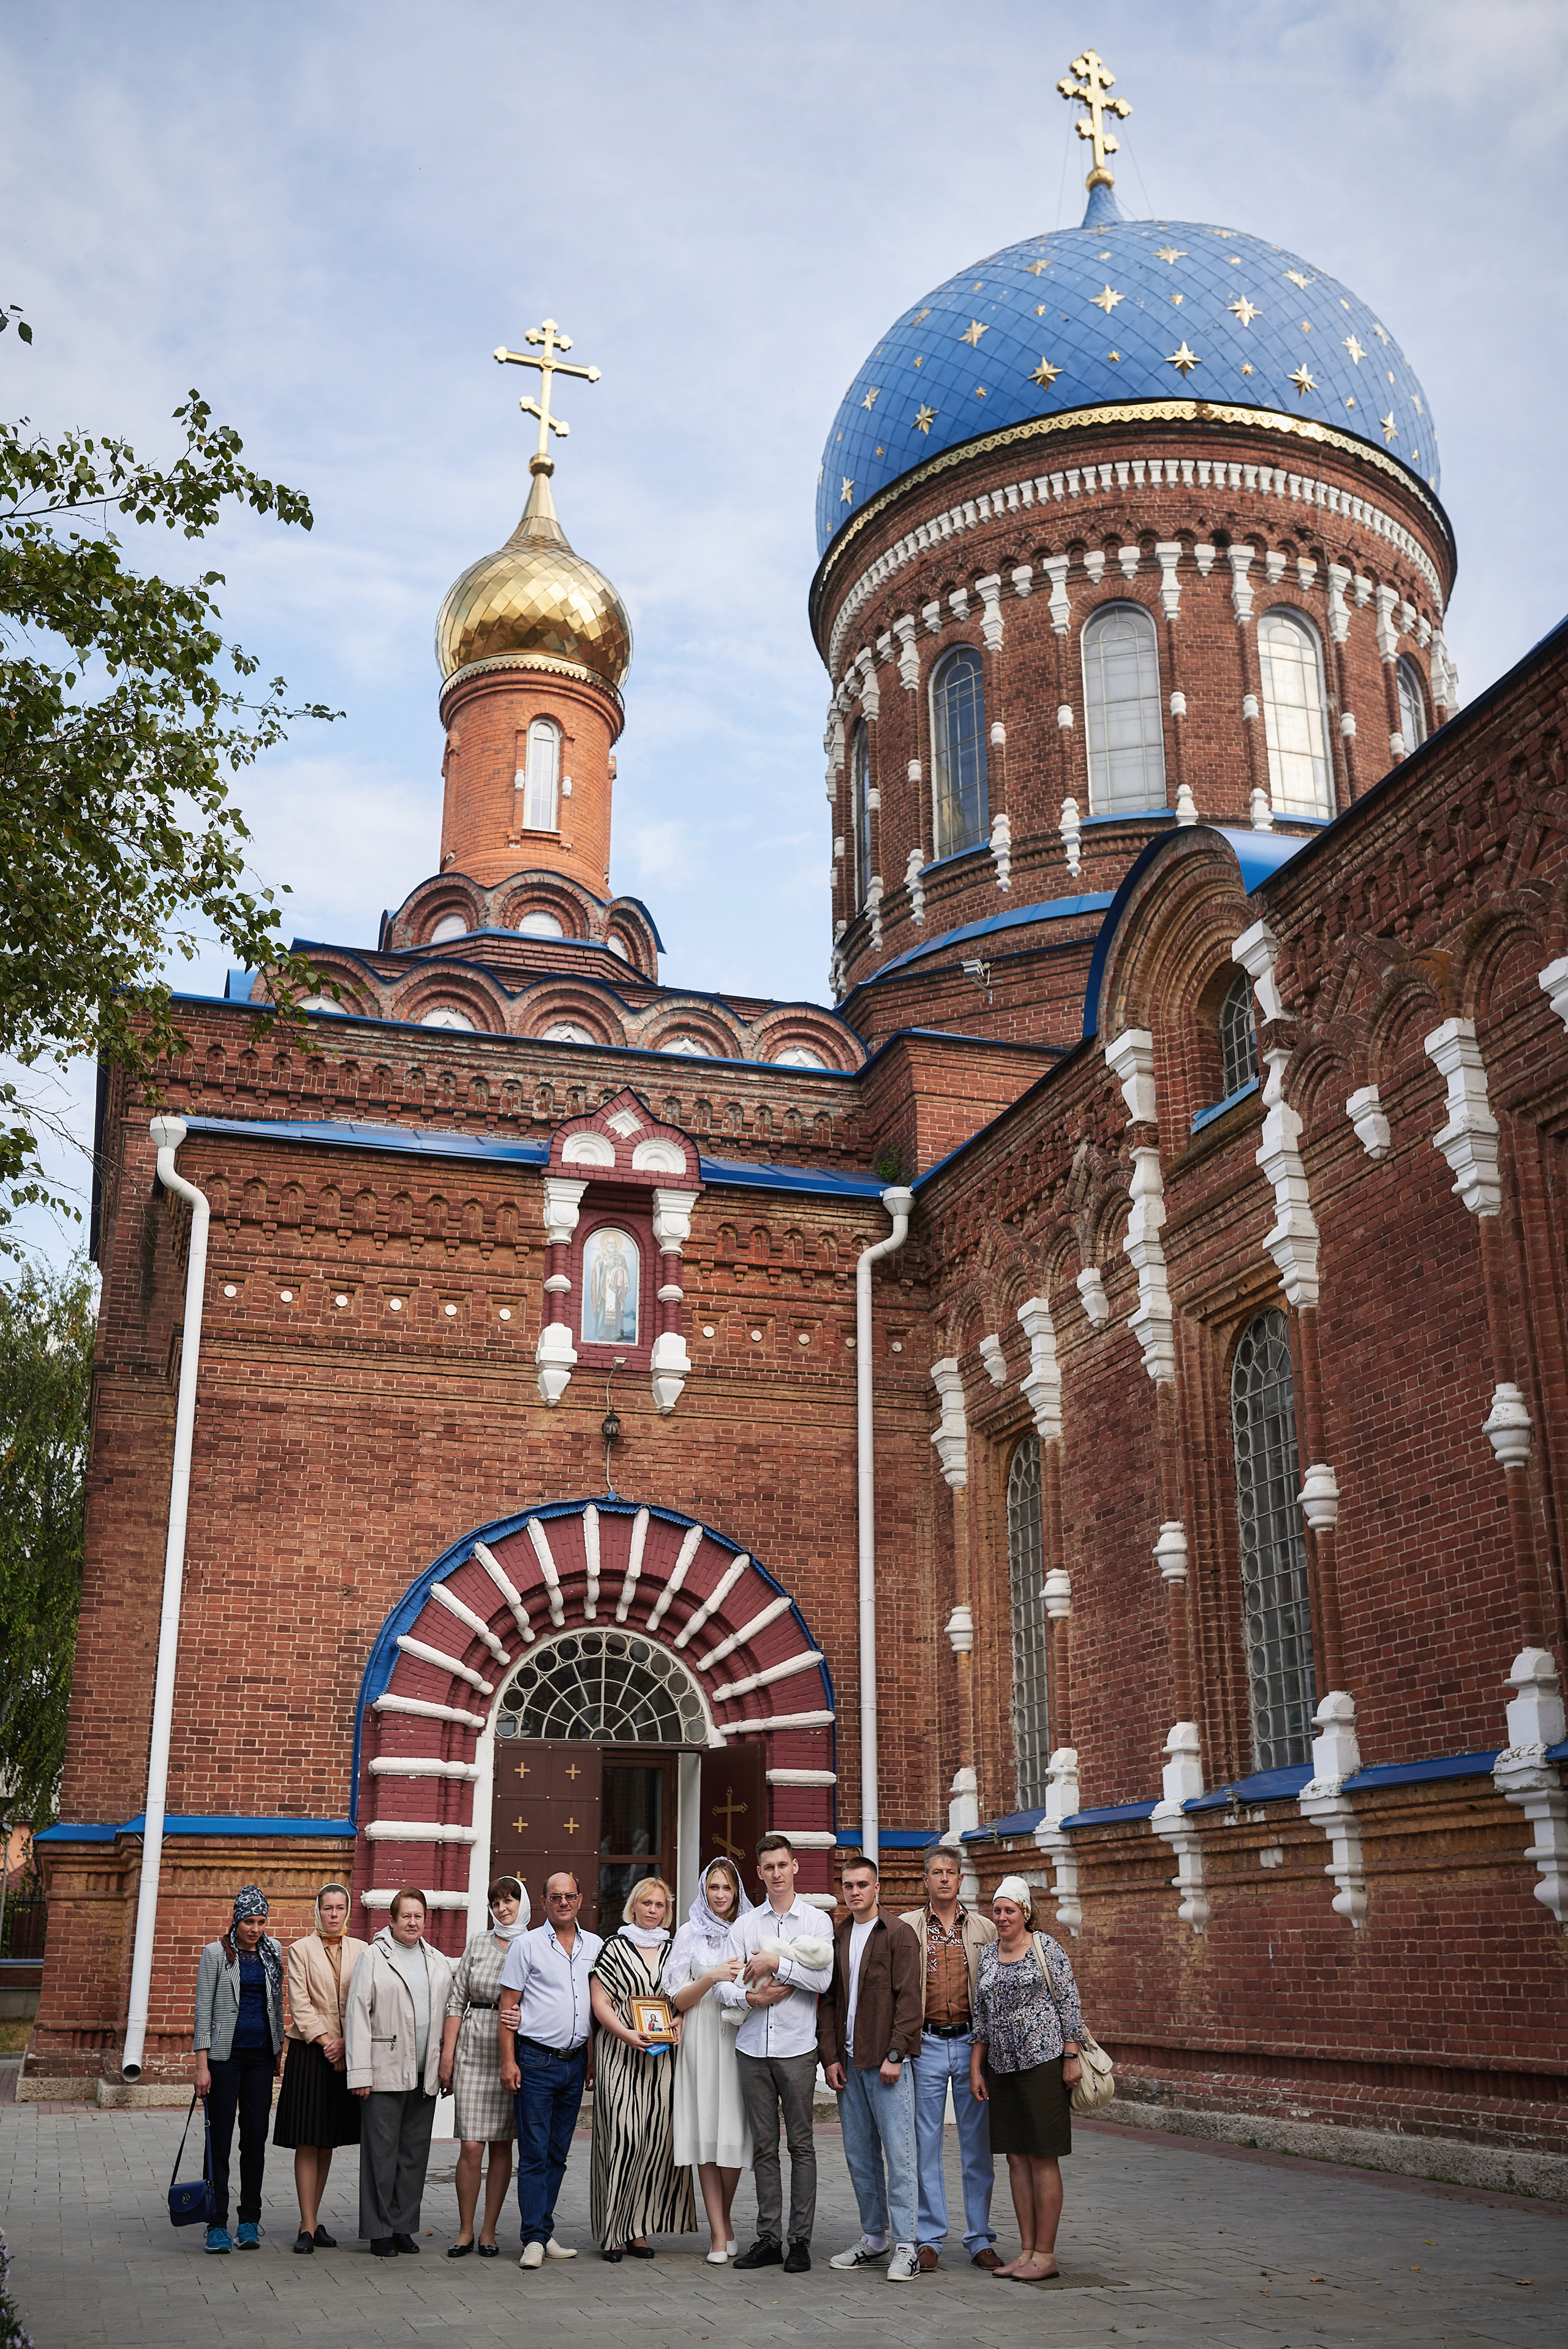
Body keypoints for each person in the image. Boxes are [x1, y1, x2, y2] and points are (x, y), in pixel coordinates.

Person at [718, 1832, 834, 2274]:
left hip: (797, 2049)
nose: (776, 1873)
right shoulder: (746, 1925)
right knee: (764, 2147)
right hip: (751, 2048)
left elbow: (823, 1982)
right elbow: (726, 1984)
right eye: (768, 1867)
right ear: (760, 1873)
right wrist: (751, 2000)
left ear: (795, 1866)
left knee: (801, 2146)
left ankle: (799, 2241)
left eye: (782, 1865)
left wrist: (775, 1964)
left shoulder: (816, 1921)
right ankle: (768, 2238)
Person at [968, 1875, 1084, 2282]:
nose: (1001, 1918)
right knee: (1016, 2158)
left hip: (1043, 2063)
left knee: (1042, 2155)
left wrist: (1071, 2057)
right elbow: (980, 2018)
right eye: (997, 1910)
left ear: (1025, 1913)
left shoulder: (1046, 1948)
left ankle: (1047, 2254)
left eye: (1009, 1911)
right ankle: (1027, 2251)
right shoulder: (988, 1955)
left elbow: (1069, 2003)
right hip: (1001, 2068)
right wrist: (975, 2068)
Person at [820, 1853, 923, 2281]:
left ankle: (907, 2246)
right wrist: (829, 2058)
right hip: (850, 2065)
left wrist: (896, 2055)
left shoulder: (898, 1934)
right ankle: (875, 2239)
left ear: (877, 1887)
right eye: (849, 1886)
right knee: (860, 2157)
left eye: (863, 1884)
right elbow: (827, 2002)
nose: (856, 1891)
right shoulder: (839, 1936)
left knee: (900, 2156)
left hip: (887, 2066)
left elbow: (910, 2001)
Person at [900, 1843, 1000, 2271]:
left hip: (970, 2044)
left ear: (961, 1880)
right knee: (926, 2144)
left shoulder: (983, 1929)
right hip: (926, 2045)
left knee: (977, 2146)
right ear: (925, 1879)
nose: (944, 1878)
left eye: (951, 1872)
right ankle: (929, 2239)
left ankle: (979, 2238)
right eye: (936, 1872)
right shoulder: (907, 1928)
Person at [498, 1869, 601, 2270]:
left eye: (570, 1896)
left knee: (558, 2154)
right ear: (544, 1902)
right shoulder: (526, 1946)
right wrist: (509, 2061)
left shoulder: (596, 1945)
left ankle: (543, 2229)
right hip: (536, 2061)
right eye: (555, 1896)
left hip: (575, 2064)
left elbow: (599, 2003)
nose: (563, 1902)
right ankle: (533, 2239)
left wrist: (591, 2058)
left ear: (580, 1900)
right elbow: (509, 2006)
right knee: (535, 2155)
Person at [345, 1886, 455, 2258]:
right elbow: (357, 2015)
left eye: (419, 1916)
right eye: (406, 1916)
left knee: (413, 2154)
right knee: (381, 2154)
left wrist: (446, 2066)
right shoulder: (373, 1958)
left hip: (424, 2073)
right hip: (384, 2071)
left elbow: (448, 2015)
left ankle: (404, 2227)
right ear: (391, 1921)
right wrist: (359, 2073)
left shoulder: (438, 1961)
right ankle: (379, 2231)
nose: (413, 1922)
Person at [589, 1877, 695, 2259]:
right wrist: (626, 2034)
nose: (653, 1910)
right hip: (620, 2053)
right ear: (633, 1906)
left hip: (663, 2058)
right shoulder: (612, 1948)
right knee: (622, 2138)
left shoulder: (676, 1950)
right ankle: (613, 2232)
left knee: (654, 2140)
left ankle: (639, 2229)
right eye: (646, 1903)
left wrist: (679, 2023)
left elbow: (683, 1998)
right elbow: (600, 2003)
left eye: (660, 1905)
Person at [665, 1856, 755, 2262]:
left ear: (737, 1893)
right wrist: (712, 1976)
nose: (720, 1895)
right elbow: (677, 1999)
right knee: (705, 2134)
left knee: (732, 2134)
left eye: (727, 1888)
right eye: (714, 1888)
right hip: (701, 2035)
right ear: (704, 1891)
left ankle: (727, 2219)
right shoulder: (689, 1934)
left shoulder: (749, 1930)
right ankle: (719, 2233)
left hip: (738, 2036)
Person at [438, 1875, 530, 2258]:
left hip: (512, 2049)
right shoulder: (477, 1943)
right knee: (471, 2145)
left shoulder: (533, 1944)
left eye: (509, 1901)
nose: (502, 1908)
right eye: (496, 1903)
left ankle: (489, 2231)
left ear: (522, 1904)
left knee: (501, 2146)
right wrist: (447, 2055)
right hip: (474, 2048)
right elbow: (456, 2001)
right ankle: (464, 2230)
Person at [274, 1882, 368, 2254]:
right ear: (318, 1910)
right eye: (328, 1908)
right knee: (308, 2138)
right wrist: (329, 2042)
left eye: (340, 1908)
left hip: (348, 2051)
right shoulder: (300, 1950)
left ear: (347, 1911)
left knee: (328, 2136)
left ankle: (314, 2217)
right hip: (311, 2052)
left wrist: (348, 2044)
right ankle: (307, 2224)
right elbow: (299, 2002)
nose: (334, 1915)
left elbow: (364, 1999)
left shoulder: (363, 1950)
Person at [192, 1885, 286, 2254]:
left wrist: (280, 2048)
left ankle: (249, 2220)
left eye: (262, 1921)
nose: (256, 1928)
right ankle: (216, 2223)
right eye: (249, 1921)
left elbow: (278, 2004)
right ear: (237, 1919)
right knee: (220, 2141)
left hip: (261, 2057)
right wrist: (202, 2066)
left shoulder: (273, 1952)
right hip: (223, 2058)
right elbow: (203, 2014)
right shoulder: (216, 1954)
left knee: (255, 2139)